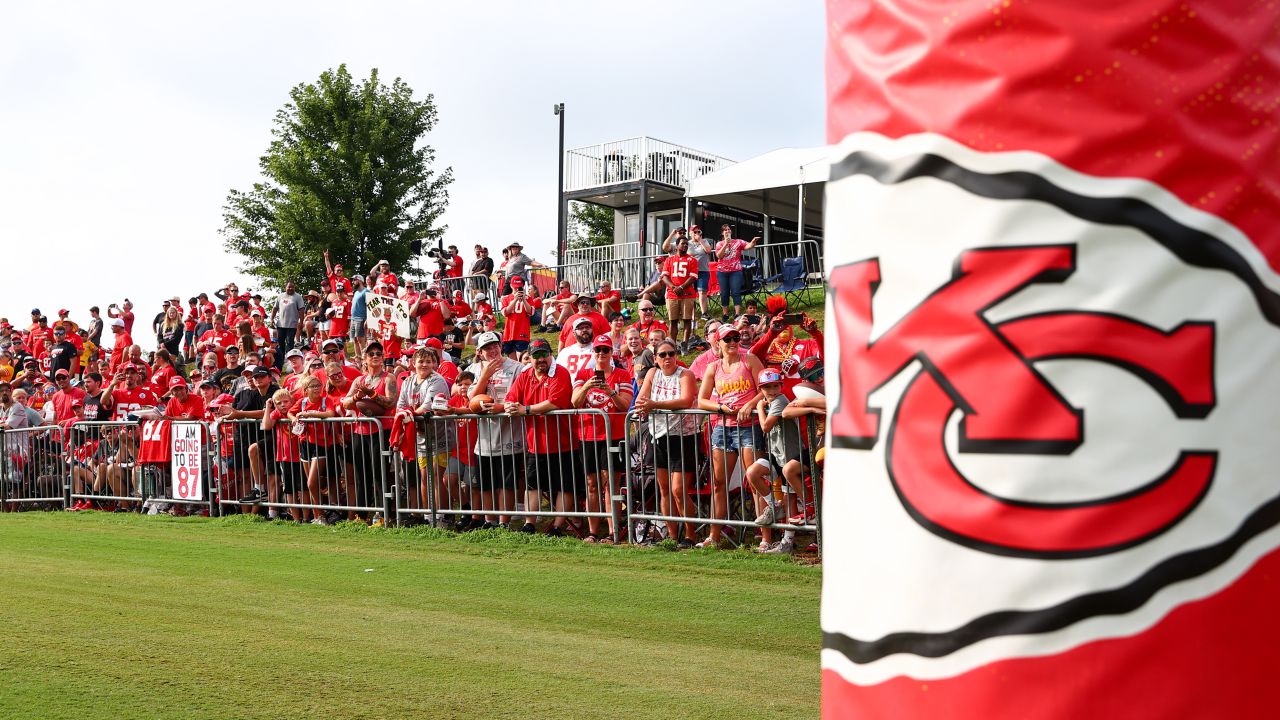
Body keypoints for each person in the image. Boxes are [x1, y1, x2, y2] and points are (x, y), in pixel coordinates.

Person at [696, 323, 766, 548]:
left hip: (748, 427)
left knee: (754, 481)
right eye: (728, 339)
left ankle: (764, 537)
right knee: (718, 483)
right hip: (723, 428)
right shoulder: (713, 367)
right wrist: (720, 408)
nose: (734, 342)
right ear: (719, 342)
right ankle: (713, 536)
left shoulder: (750, 359)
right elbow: (701, 400)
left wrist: (750, 405)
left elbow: (765, 388)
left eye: (736, 337)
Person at [504, 338, 579, 536]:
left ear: (550, 354)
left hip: (563, 442)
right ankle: (529, 523)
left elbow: (554, 403)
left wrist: (524, 409)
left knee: (565, 486)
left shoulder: (560, 372)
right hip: (534, 443)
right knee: (532, 485)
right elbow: (511, 398)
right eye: (536, 355)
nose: (541, 359)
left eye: (544, 354)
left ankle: (557, 525)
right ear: (529, 358)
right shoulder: (525, 375)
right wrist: (510, 406)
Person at [635, 338, 700, 548]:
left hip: (684, 437)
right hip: (658, 435)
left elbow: (685, 400)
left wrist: (655, 405)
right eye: (662, 355)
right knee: (664, 489)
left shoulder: (686, 374)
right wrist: (648, 403)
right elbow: (641, 399)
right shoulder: (653, 374)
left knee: (678, 490)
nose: (667, 358)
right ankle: (672, 536)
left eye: (671, 353)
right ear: (655, 358)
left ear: (676, 355)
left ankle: (691, 535)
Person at [571, 334, 634, 543]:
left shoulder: (622, 375)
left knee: (611, 485)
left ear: (611, 353)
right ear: (593, 352)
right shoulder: (583, 373)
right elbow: (574, 402)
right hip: (588, 435)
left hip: (613, 436)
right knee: (592, 484)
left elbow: (625, 405)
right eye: (598, 350)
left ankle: (613, 531)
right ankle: (592, 532)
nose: (601, 354)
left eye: (605, 350)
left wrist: (610, 391)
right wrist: (588, 385)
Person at [467, 331, 526, 529]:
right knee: (486, 483)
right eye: (487, 348)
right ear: (479, 352)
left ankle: (504, 522)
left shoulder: (517, 367)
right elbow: (472, 400)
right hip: (484, 437)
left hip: (510, 433)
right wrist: (485, 375)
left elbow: (522, 396)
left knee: (506, 482)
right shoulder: (474, 369)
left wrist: (502, 407)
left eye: (495, 346)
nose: (492, 350)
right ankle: (489, 520)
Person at [396, 346, 455, 526]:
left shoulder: (437, 380)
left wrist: (409, 415)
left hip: (441, 435)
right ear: (413, 363)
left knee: (437, 475)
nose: (424, 364)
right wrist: (407, 414)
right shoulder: (408, 381)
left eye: (429, 361)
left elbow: (428, 406)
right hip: (421, 437)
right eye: (421, 361)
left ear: (435, 363)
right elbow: (400, 405)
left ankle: (443, 516)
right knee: (424, 476)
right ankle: (428, 515)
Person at [715, 225, 761, 321]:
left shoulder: (738, 242)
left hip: (735, 271)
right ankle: (725, 314)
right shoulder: (719, 243)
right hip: (722, 272)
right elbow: (719, 255)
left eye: (728, 229)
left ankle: (737, 314)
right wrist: (726, 244)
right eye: (725, 230)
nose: (727, 231)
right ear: (722, 233)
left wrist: (753, 242)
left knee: (736, 292)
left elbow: (748, 246)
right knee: (724, 293)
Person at [661, 237, 700, 352]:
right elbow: (664, 276)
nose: (685, 246)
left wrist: (682, 287)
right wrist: (673, 287)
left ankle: (685, 344)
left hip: (688, 293)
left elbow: (693, 277)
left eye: (686, 244)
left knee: (687, 319)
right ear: (677, 246)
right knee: (673, 321)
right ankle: (672, 345)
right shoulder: (669, 260)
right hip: (672, 294)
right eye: (683, 244)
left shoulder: (692, 260)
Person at [499, 276, 539, 358]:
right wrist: (515, 300)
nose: (517, 289)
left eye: (519, 287)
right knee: (512, 362)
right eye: (515, 287)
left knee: (521, 359)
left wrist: (524, 300)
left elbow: (531, 312)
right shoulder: (505, 298)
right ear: (511, 286)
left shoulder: (528, 298)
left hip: (522, 332)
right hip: (509, 333)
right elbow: (505, 313)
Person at [272, 281, 306, 357]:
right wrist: (272, 319)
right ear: (285, 288)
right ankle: (281, 359)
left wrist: (301, 322)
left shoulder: (298, 297)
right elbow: (275, 308)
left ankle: (288, 359)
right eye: (289, 287)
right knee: (280, 343)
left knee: (290, 343)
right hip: (280, 324)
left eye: (292, 287)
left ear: (294, 288)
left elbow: (301, 310)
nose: (290, 288)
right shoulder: (280, 296)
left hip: (292, 325)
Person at [350, 277, 369, 354]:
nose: (353, 282)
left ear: (360, 280)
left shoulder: (366, 291)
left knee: (360, 339)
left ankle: (364, 356)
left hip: (361, 318)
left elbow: (369, 306)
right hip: (353, 318)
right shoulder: (356, 292)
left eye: (355, 280)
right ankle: (357, 357)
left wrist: (367, 319)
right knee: (354, 339)